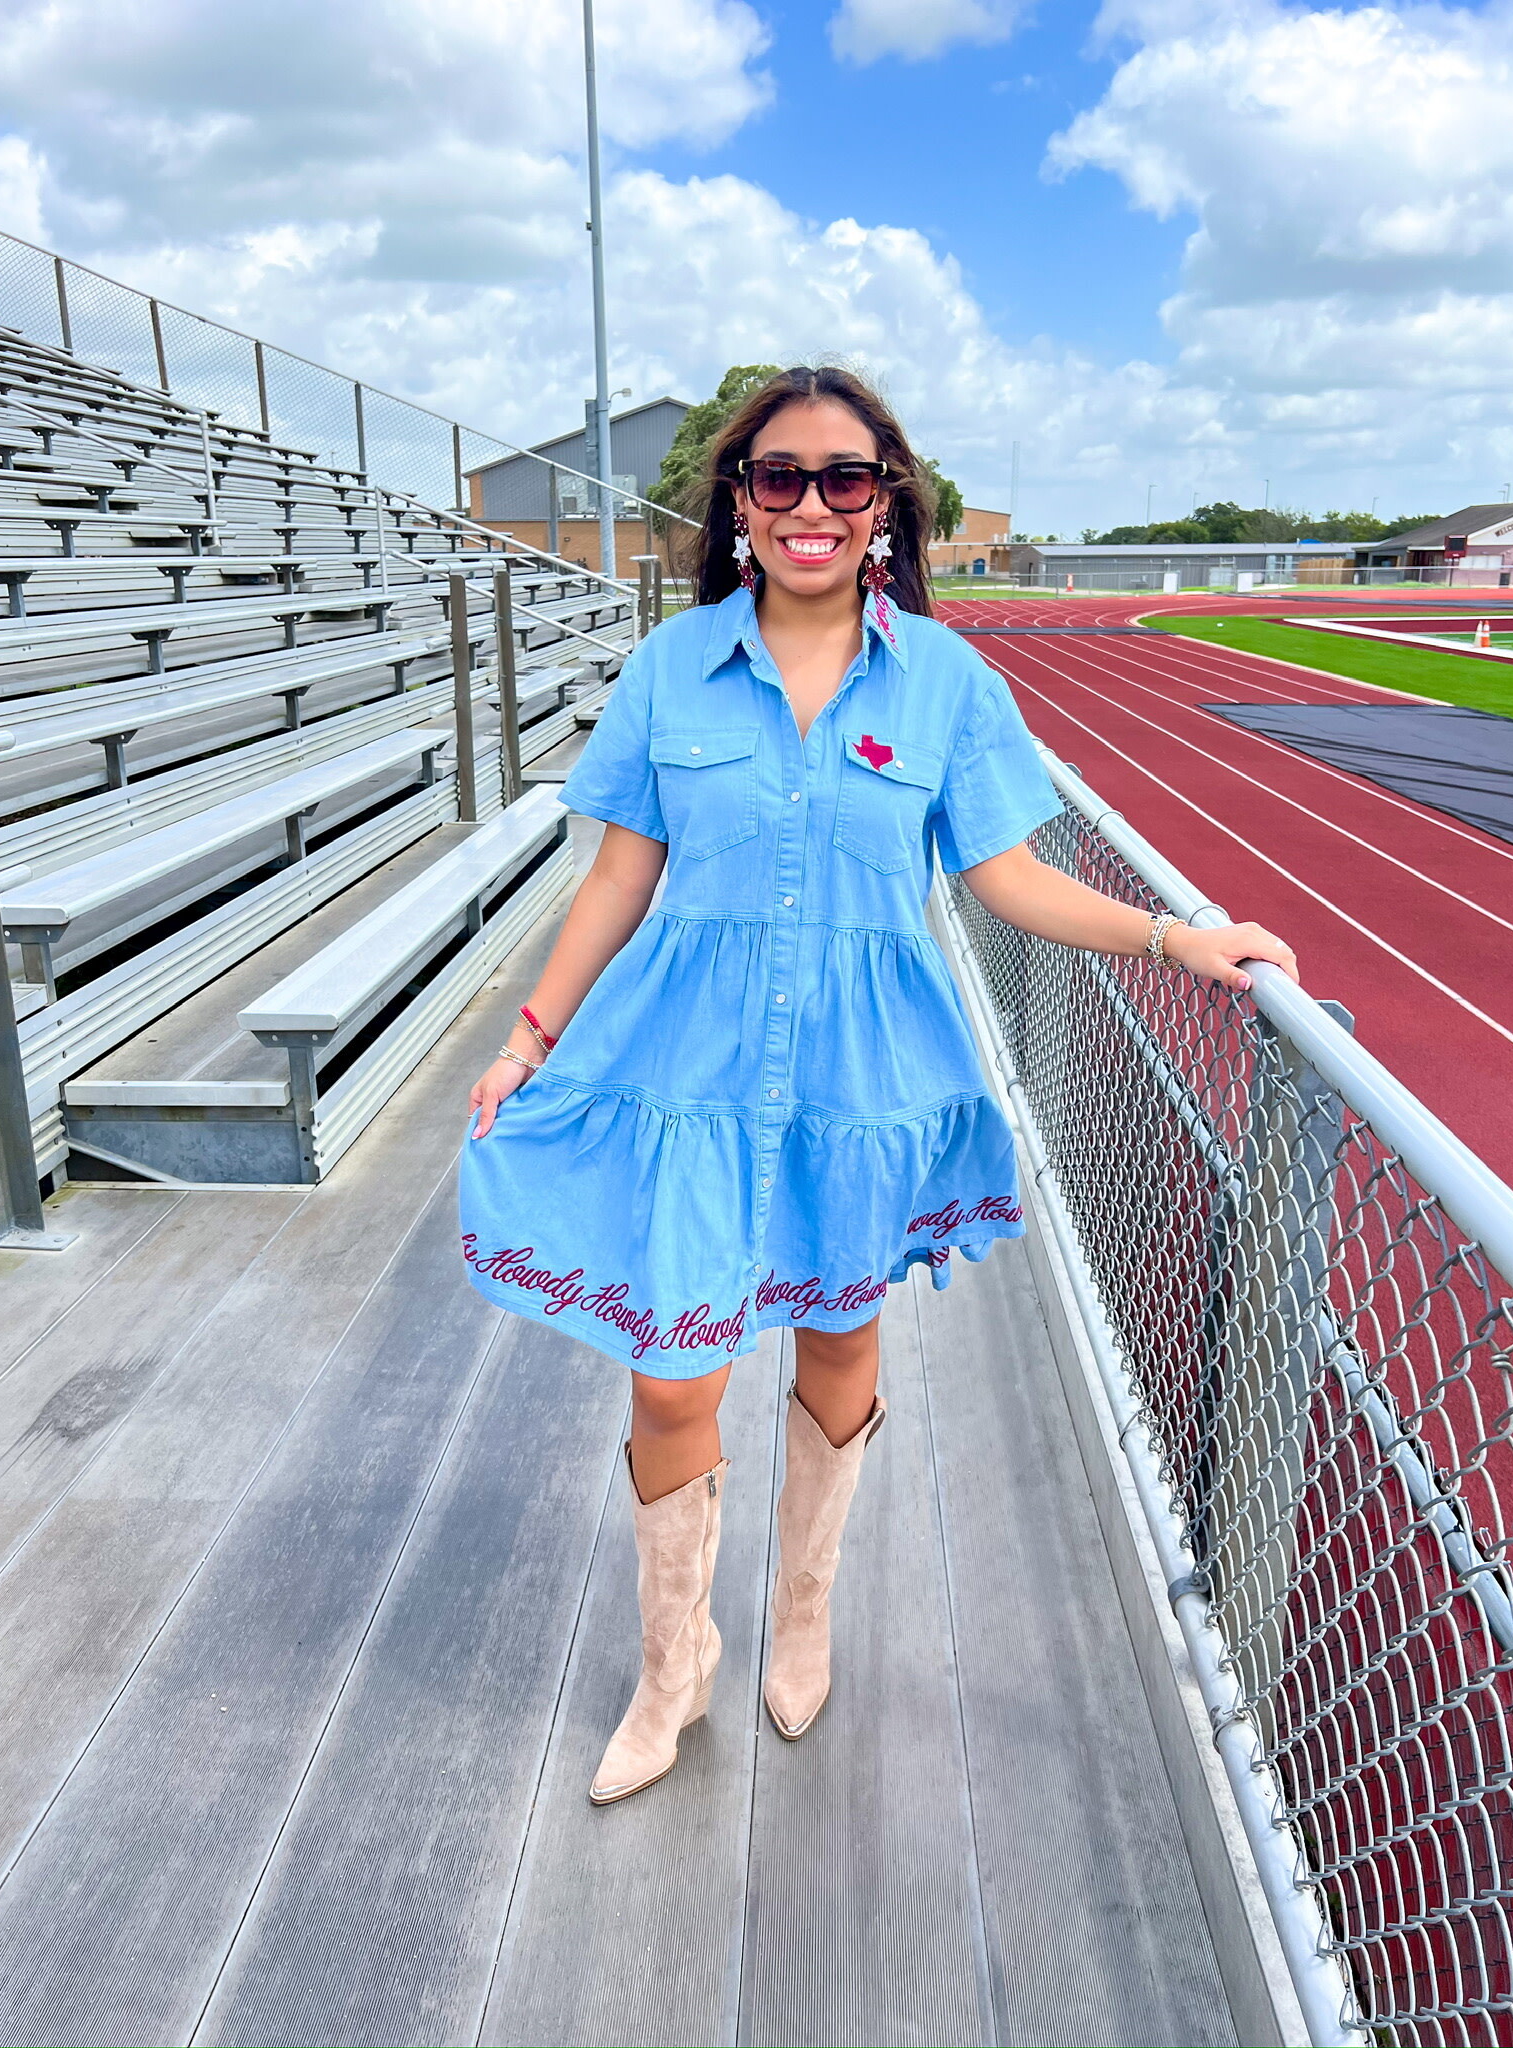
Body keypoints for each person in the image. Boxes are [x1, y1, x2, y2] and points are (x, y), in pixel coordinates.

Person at [459, 366, 1298, 1807]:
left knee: (839, 1354)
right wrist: (531, 1034)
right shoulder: (673, 669)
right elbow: (620, 872)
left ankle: (801, 1617)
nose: (809, 505)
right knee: (677, 1379)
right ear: (737, 501)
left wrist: (1175, 935)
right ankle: (673, 1670)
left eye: (844, 479)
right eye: (776, 477)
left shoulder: (949, 686)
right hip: (689, 1075)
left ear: (886, 502)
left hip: (859, 1085)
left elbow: (1007, 878)